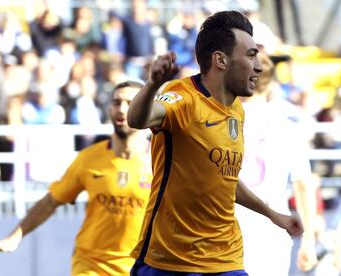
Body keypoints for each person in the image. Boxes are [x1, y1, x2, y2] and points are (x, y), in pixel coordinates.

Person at [126, 10, 304, 275]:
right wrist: (153, 84)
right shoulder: (183, 98)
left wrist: (272, 215)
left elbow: (225, 179)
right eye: (251, 56)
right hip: (172, 260)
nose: (259, 67)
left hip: (225, 257)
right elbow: (138, 119)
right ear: (220, 60)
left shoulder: (236, 110)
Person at [0, 81, 152, 276]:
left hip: (137, 267)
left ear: (144, 109)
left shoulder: (160, 161)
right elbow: (51, 201)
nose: (121, 109)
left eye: (130, 103)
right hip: (91, 265)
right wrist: (15, 236)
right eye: (116, 102)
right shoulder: (89, 158)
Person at [235, 52, 318, 275]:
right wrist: (309, 240)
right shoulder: (287, 127)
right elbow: (303, 185)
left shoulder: (221, 122)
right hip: (272, 234)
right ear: (271, 84)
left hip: (227, 234)